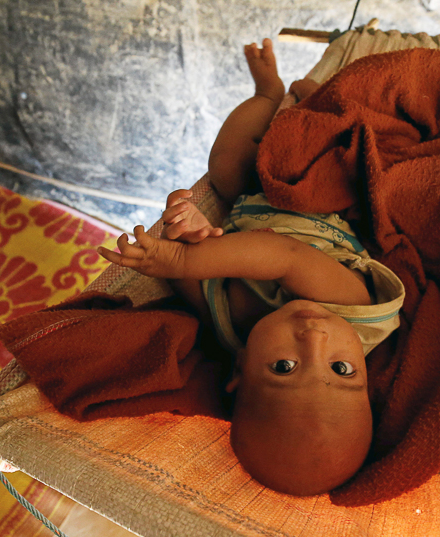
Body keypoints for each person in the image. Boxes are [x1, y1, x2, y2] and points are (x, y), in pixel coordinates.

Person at [98, 39, 405, 496]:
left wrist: (187, 232)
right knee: (324, 147)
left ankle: (266, 93)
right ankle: (324, 103)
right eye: (342, 371)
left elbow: (189, 283)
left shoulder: (233, 329)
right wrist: (188, 259)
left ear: (238, 371)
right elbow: (283, 256)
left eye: (284, 367)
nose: (315, 338)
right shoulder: (358, 315)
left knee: (223, 166)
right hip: (323, 198)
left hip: (250, 200)